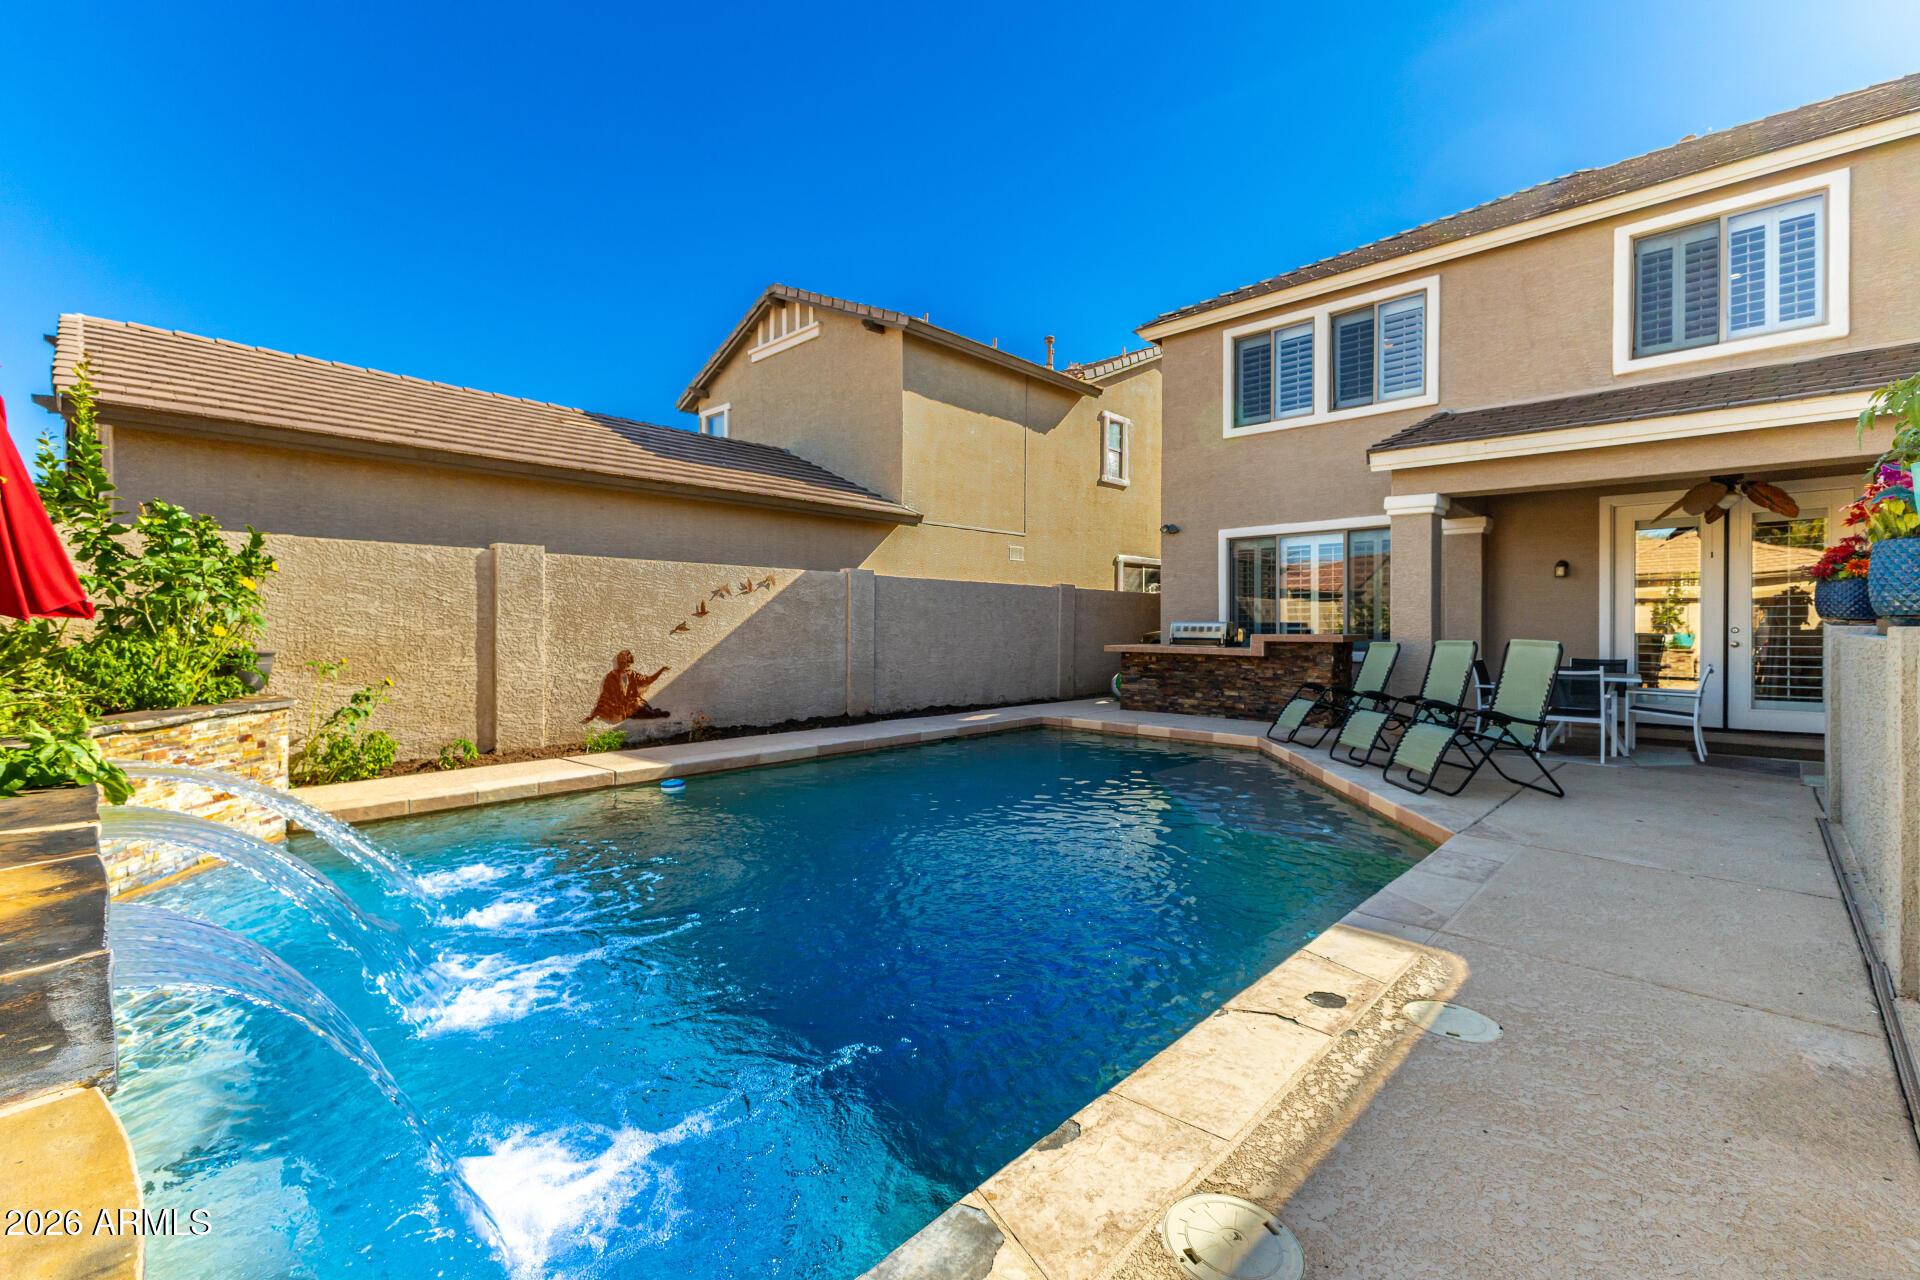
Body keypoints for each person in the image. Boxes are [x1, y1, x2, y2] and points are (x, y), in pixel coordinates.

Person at [584, 650, 670, 723]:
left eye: (628, 664)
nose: (628, 666)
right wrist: (594, 714)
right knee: (637, 711)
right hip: (618, 707)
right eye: (625, 663)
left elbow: (648, 680)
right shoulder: (612, 676)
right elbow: (605, 694)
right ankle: (653, 713)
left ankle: (656, 713)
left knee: (642, 708)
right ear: (621, 662)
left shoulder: (633, 674)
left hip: (632, 704)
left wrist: (660, 671)